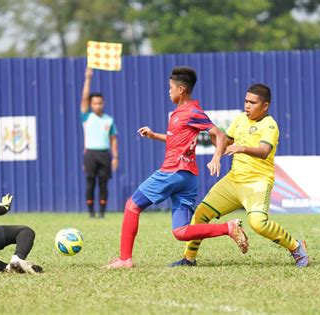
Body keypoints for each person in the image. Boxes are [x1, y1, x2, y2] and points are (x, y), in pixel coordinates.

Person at [104, 66, 248, 269]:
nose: (168, 91)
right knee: (180, 231)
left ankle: (125, 259)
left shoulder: (192, 111)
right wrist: (154, 135)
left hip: (172, 171)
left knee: (132, 206)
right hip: (188, 178)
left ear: (181, 89)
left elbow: (220, 135)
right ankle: (229, 228)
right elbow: (176, 140)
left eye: (170, 87)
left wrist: (216, 157)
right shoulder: (179, 114)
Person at [169, 84, 309, 268]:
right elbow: (224, 142)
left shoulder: (270, 125)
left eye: (252, 102)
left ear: (265, 106)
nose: (247, 106)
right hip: (234, 180)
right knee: (201, 214)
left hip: (257, 183)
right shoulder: (240, 119)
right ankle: (189, 259)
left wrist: (240, 147)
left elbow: (264, 151)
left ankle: (296, 247)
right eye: (246, 101)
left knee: (258, 224)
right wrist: (210, 133)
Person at [80, 68, 119, 218]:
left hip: (104, 154)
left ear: (103, 103)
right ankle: (91, 213)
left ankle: (102, 213)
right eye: (95, 103)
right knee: (90, 183)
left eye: (100, 103)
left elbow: (114, 139)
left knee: (103, 184)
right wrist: (88, 79)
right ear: (91, 104)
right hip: (90, 153)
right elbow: (84, 98)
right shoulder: (86, 117)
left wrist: (115, 157)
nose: (98, 105)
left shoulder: (108, 120)